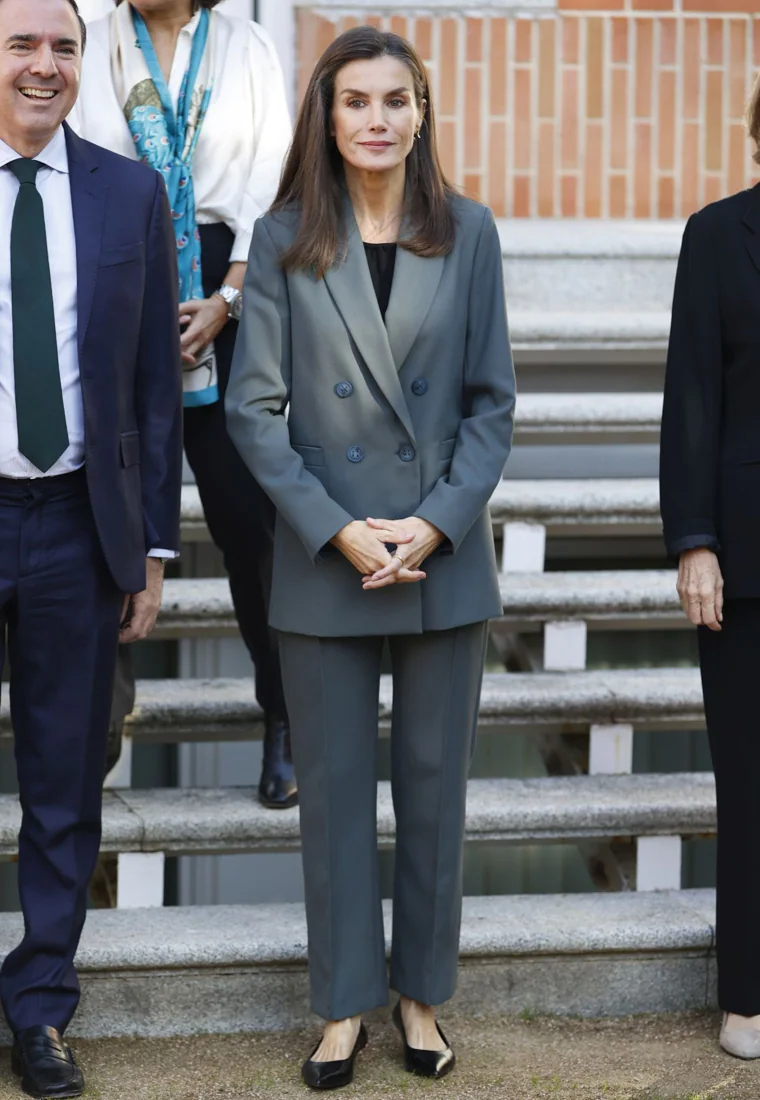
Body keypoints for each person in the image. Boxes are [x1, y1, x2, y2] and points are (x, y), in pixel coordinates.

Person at [226, 26, 515, 1090]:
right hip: (326, 555)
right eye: (355, 101)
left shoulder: (470, 233)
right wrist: (339, 526)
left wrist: (435, 522)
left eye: (396, 100)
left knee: (435, 789)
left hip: (439, 555)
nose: (377, 119)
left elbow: (491, 402)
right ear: (328, 115)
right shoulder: (285, 235)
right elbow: (255, 412)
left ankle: (420, 995)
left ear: (422, 111)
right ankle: (344, 1003)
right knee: (337, 790)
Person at [0, 0, 183, 1094]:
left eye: (64, 47)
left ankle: (39, 1006)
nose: (44, 65)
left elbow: (156, 392)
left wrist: (152, 548)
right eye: (21, 43)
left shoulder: (128, 193)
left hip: (78, 522)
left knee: (66, 776)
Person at [73, 0, 296, 808]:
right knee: (108, 516)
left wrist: (227, 299)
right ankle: (98, 730)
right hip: (111, 286)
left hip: (226, 298)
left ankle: (285, 720)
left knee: (252, 523)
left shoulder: (247, 47)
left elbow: (275, 183)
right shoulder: (89, 44)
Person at [660, 72, 760, 1061]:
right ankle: (746, 991)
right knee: (751, 782)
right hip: (747, 553)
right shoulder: (715, 235)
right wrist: (694, 539)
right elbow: (689, 397)